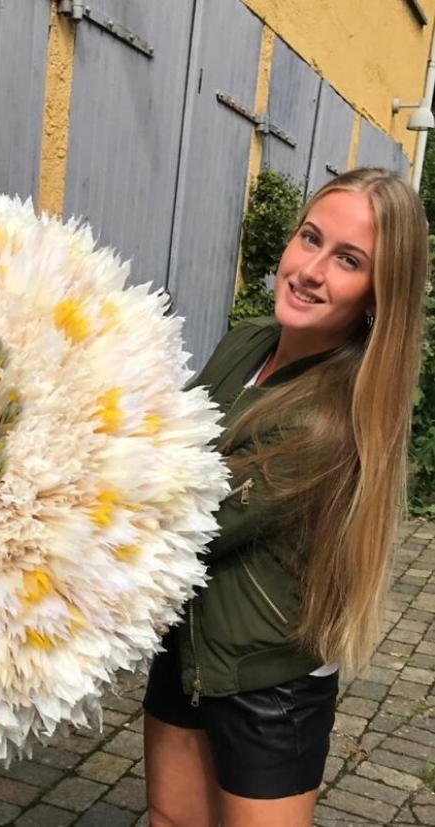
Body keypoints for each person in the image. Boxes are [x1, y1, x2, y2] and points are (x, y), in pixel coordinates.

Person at [143, 168, 429, 827]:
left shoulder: (323, 417)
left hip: (263, 680)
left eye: (347, 260)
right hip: (185, 647)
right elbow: (169, 447)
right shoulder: (247, 340)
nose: (309, 269)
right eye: (309, 238)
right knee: (170, 817)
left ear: (375, 297)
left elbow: (187, 521)